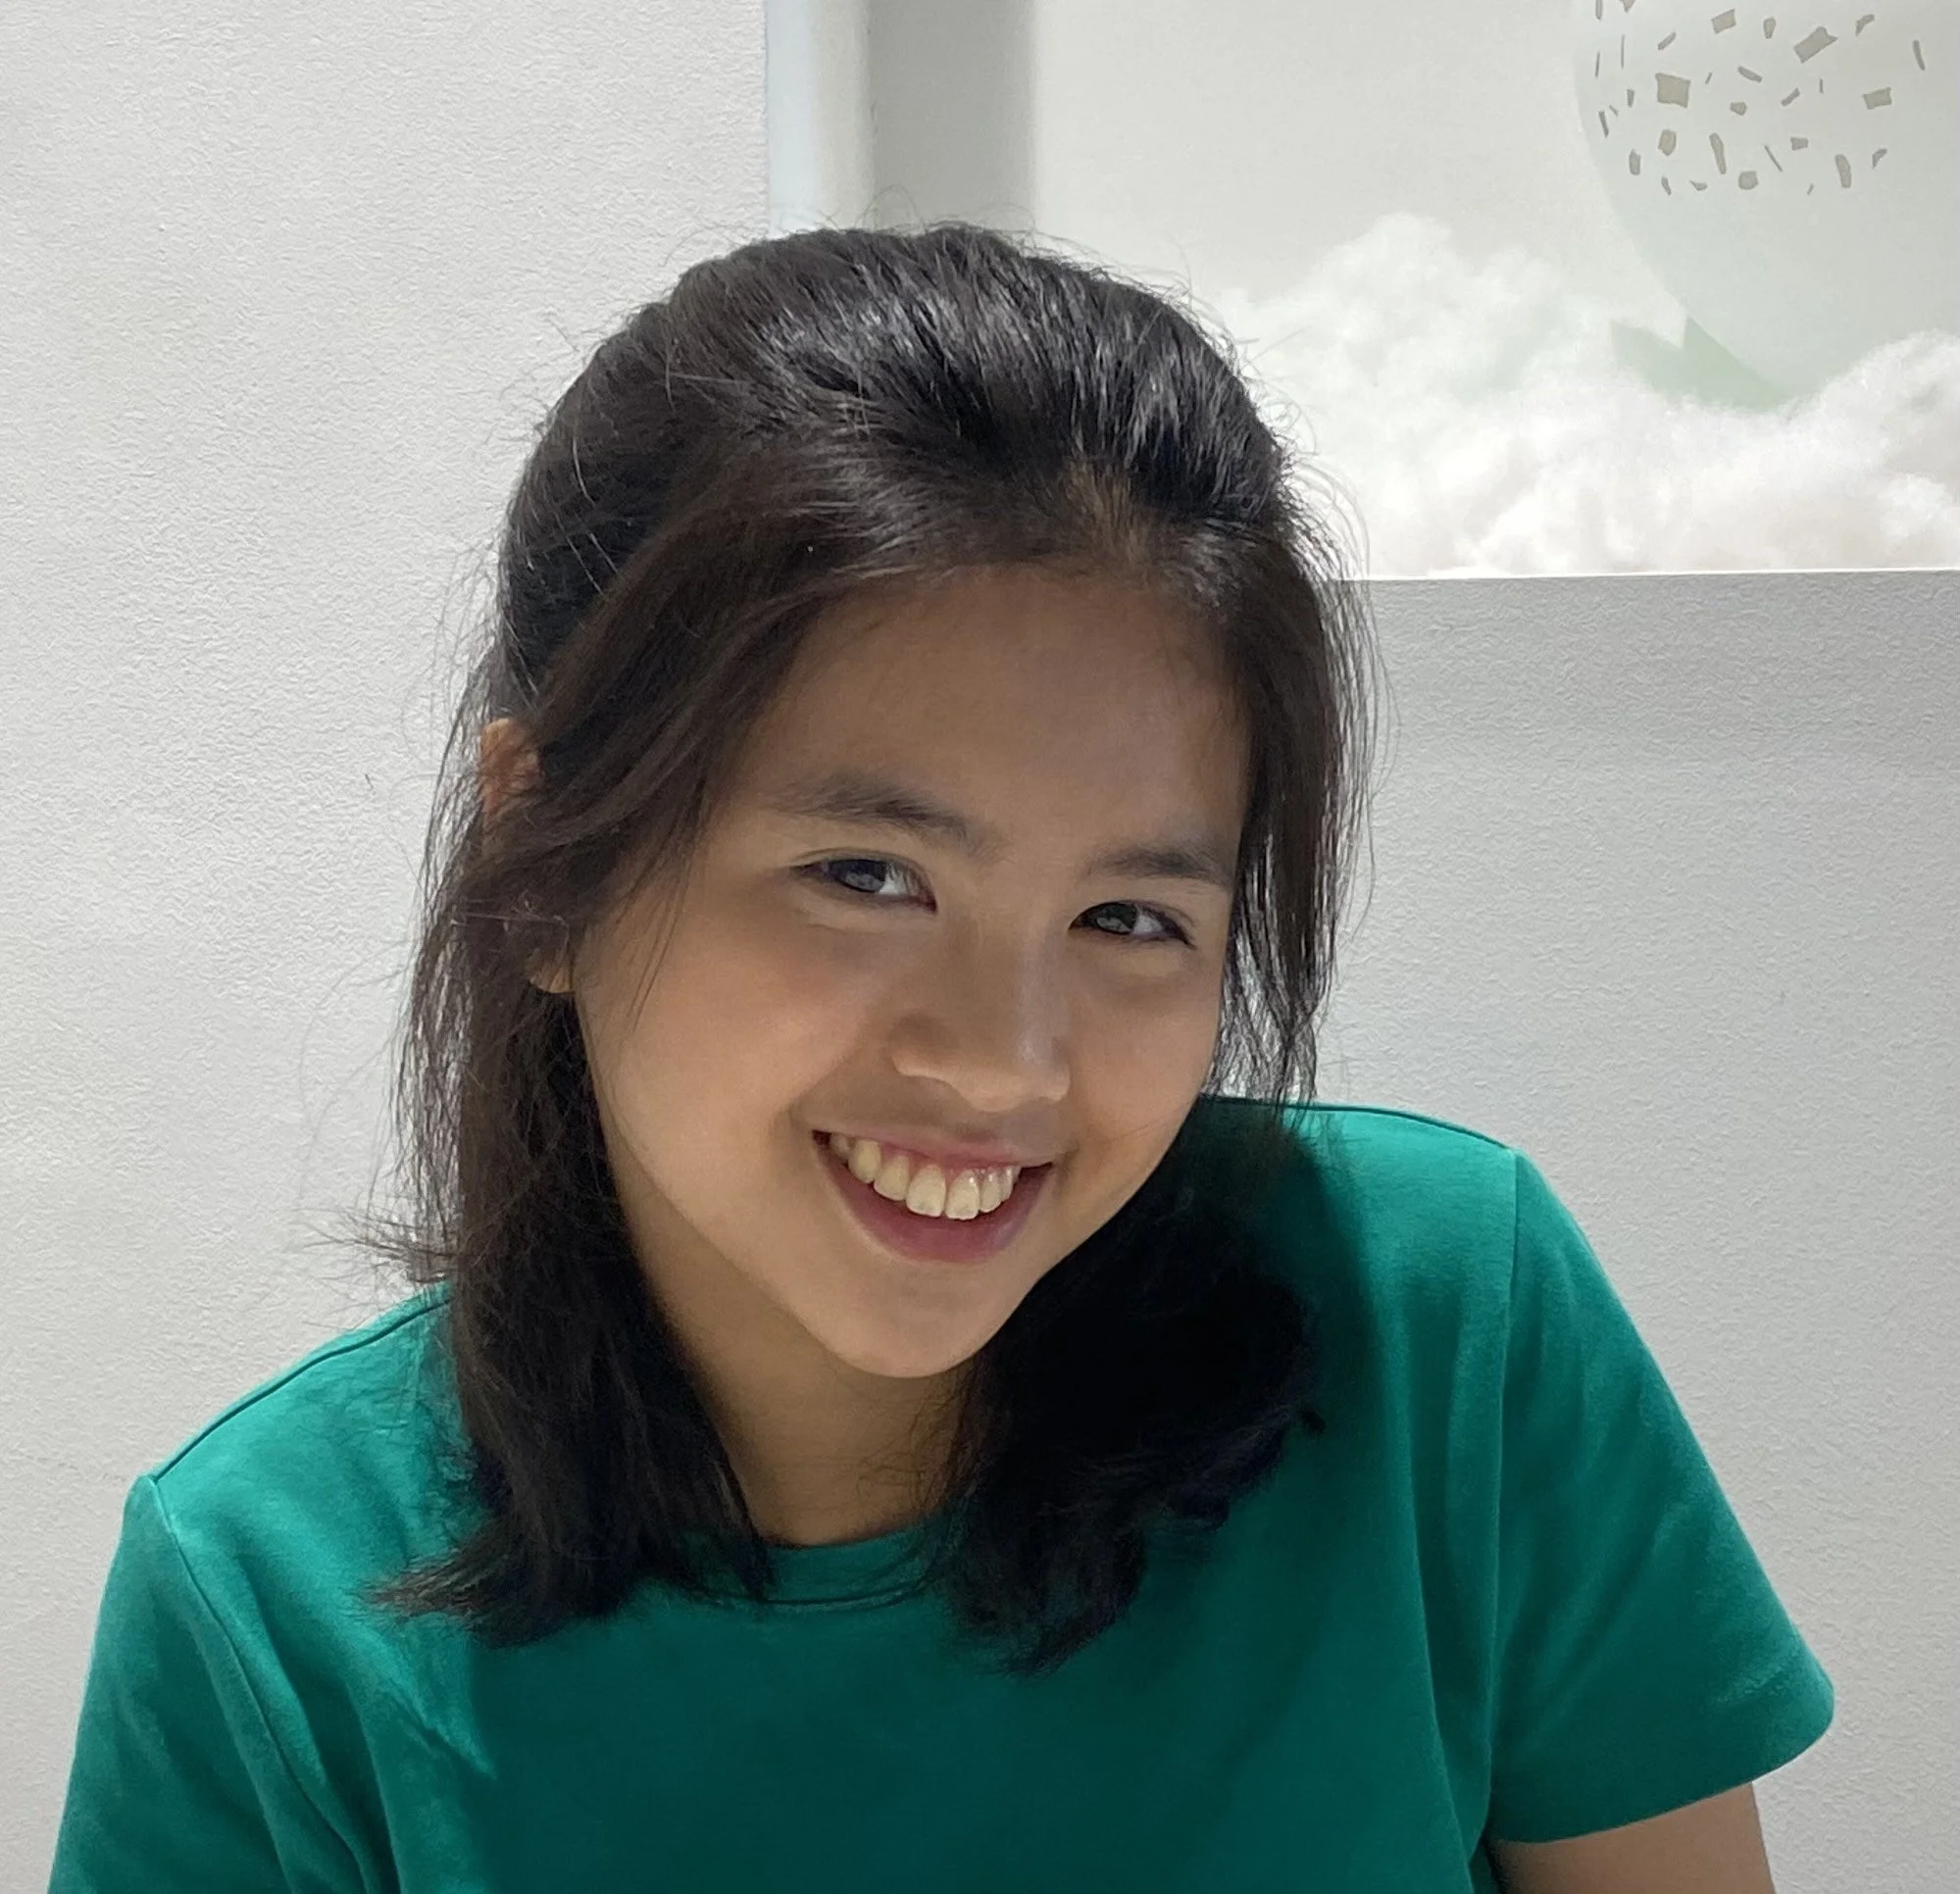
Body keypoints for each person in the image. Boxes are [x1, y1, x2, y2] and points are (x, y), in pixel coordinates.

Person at [47, 223, 1832, 1893]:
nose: (1002, 1065)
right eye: (867, 877)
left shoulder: (1441, 1326)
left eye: (1130, 918)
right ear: (544, 861)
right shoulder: (268, 1600)